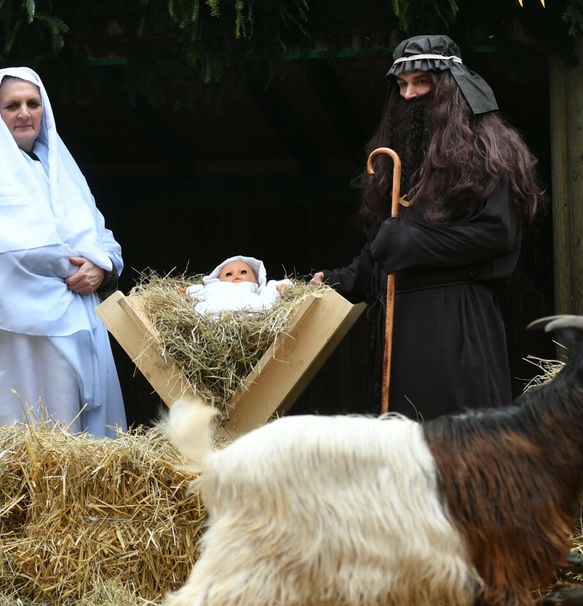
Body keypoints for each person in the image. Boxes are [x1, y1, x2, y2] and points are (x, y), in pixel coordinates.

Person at [312, 34, 543, 420]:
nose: (409, 95)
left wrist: (414, 239)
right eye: (402, 85)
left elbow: (497, 233)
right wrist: (340, 280)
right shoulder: (400, 158)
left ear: (448, 85)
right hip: (402, 326)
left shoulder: (486, 148)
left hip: (457, 323)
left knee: (460, 447)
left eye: (421, 82)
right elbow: (386, 247)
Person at [0, 67, 126, 437]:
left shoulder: (62, 171)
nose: (25, 112)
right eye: (12, 105)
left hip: (74, 328)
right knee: (18, 440)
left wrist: (100, 268)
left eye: (32, 103)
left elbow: (102, 236)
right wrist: (69, 269)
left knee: (76, 441)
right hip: (6, 333)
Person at [183, 255, 289, 315]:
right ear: (218, 280)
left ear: (256, 280)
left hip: (248, 314)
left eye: (243, 272)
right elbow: (199, 291)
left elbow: (270, 291)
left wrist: (281, 286)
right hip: (216, 313)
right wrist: (185, 291)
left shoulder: (255, 290)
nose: (236, 275)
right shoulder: (214, 288)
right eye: (229, 274)